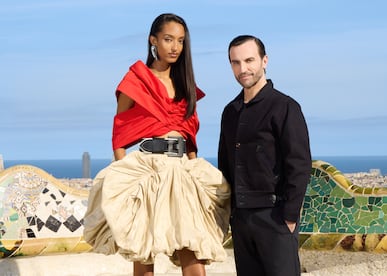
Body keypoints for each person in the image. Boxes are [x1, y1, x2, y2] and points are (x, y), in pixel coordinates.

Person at [83, 13, 230, 276]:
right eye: (168, 39)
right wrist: (126, 175)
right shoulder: (137, 80)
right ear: (153, 40)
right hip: (149, 171)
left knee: (194, 252)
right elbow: (120, 131)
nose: (175, 47)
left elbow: (190, 135)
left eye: (181, 41)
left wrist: (195, 170)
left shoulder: (185, 83)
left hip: (183, 171)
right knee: (144, 252)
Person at [218, 35, 312, 276]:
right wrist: (231, 216)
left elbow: (299, 164)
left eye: (249, 60)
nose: (243, 69)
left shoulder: (285, 107)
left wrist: (289, 218)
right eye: (235, 63)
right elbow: (225, 166)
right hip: (241, 221)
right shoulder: (230, 112)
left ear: (264, 61)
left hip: (275, 218)